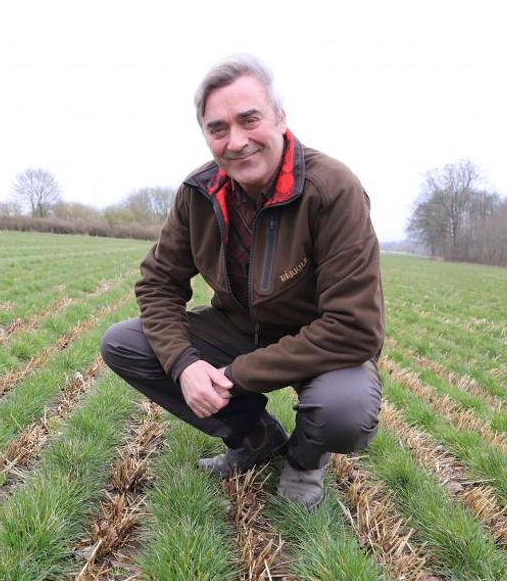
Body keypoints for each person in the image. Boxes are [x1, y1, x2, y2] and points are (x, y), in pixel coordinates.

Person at [100, 54, 384, 508]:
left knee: (344, 410)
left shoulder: (332, 190)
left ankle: (306, 460)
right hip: (237, 327)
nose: (236, 141)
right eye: (218, 128)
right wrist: (185, 365)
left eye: (249, 119)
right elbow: (158, 283)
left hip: (317, 344)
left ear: (280, 119)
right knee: (124, 342)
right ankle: (254, 438)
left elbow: (355, 328)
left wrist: (235, 376)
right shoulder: (198, 192)